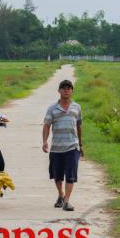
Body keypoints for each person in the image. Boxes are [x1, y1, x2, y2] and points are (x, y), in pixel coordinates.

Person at [42, 79, 83, 211]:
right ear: (59, 91)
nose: (66, 90)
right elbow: (47, 126)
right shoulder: (52, 108)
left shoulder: (77, 107)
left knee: (70, 175)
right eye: (63, 88)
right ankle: (60, 194)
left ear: (72, 91)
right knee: (57, 175)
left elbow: (79, 125)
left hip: (72, 146)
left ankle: (66, 201)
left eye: (69, 88)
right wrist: (44, 141)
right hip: (56, 147)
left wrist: (81, 144)